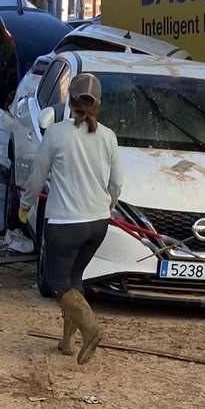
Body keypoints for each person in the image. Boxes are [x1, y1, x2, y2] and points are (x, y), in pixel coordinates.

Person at [19, 73, 124, 364]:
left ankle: (90, 329)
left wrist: (25, 205)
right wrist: (108, 204)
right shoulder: (108, 137)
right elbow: (116, 183)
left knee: (57, 284)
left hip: (65, 223)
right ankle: (67, 341)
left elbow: (37, 175)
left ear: (70, 100)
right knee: (74, 279)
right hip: (98, 223)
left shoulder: (56, 134)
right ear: (98, 104)